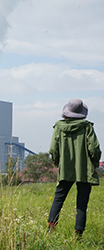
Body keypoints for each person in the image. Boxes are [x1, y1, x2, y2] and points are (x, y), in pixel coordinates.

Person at [48, 98, 101, 237]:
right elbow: (94, 148)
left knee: (58, 199)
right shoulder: (87, 127)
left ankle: (50, 230)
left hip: (65, 170)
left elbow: (53, 149)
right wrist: (94, 163)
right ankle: (78, 235)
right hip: (84, 170)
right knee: (82, 203)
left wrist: (59, 163)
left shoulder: (58, 127)